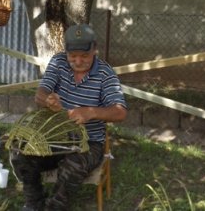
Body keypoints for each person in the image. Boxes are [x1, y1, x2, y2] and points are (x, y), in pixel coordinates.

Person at [11, 24, 127, 211]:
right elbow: (40, 94)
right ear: (66, 51)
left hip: (89, 142)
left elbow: (120, 112)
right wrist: (48, 100)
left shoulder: (106, 74)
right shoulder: (58, 62)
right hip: (54, 137)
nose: (78, 61)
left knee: (73, 166)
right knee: (21, 152)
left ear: (94, 50)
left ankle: (55, 207)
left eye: (84, 56)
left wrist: (91, 112)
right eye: (73, 56)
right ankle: (34, 203)